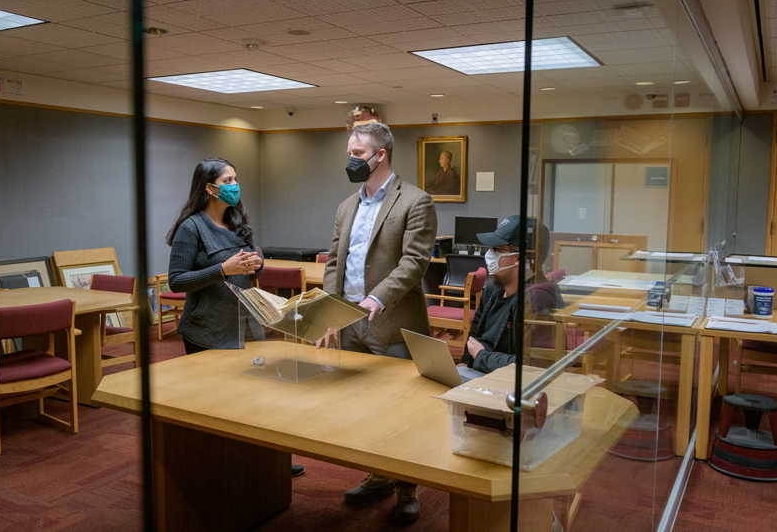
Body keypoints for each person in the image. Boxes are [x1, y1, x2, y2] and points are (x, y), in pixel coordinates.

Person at [320, 122, 437, 522]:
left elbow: (415, 263)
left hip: (393, 324)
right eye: (350, 153)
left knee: (400, 411)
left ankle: (407, 487)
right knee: (364, 408)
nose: (351, 160)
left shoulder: (416, 201)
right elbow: (335, 261)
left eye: (357, 154)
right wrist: (328, 311)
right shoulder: (345, 206)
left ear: (380, 155)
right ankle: (378, 476)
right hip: (350, 322)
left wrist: (378, 297)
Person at [166, 158, 308, 476]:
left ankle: (267, 463)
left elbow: (248, 273)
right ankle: (221, 469)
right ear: (210, 188)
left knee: (259, 399)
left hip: (247, 327)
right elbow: (176, 280)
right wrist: (222, 269)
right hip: (208, 331)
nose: (234, 185)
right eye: (227, 180)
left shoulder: (238, 221)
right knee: (218, 406)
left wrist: (255, 264)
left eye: (235, 179)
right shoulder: (191, 228)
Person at [457, 216, 563, 381]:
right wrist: (463, 366)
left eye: (497, 249)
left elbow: (533, 367)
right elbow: (474, 335)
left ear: (518, 258)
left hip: (508, 387)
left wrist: (481, 357)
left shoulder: (539, 299)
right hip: (480, 375)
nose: (489, 255)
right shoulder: (494, 287)